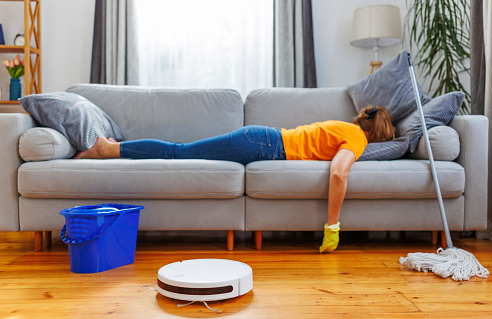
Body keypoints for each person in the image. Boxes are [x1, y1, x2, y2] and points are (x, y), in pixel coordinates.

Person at [75, 106, 396, 253]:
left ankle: (110, 148)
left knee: (180, 152)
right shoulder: (358, 139)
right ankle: (109, 148)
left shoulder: (347, 128)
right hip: (262, 144)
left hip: (262, 141)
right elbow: (339, 172)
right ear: (380, 135)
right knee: (178, 153)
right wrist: (332, 226)